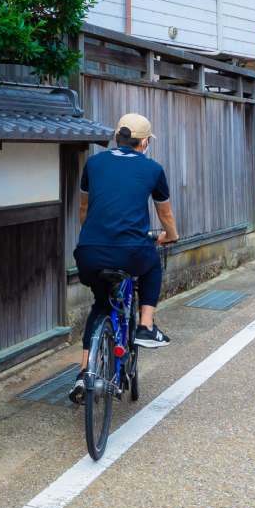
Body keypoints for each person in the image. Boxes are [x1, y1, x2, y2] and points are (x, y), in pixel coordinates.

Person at [69, 113, 177, 406]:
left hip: (90, 250)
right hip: (131, 251)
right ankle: (145, 325)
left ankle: (84, 372)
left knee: (101, 304)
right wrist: (171, 234)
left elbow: (84, 209)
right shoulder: (153, 169)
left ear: (117, 137)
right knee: (152, 264)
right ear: (144, 142)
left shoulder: (94, 163)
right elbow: (164, 213)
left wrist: (96, 236)